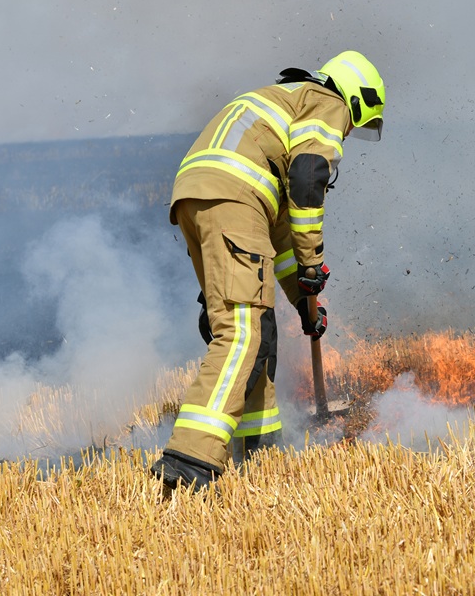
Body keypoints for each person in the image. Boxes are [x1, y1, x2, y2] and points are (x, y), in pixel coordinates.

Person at [150, 50, 386, 492]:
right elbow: (308, 178)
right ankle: (190, 460)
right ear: (356, 98)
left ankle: (259, 453)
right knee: (242, 332)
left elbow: (276, 243)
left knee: (259, 329)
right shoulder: (326, 102)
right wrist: (313, 262)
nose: (348, 132)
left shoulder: (282, 102)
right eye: (356, 123)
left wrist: (302, 299)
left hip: (199, 198)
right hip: (234, 199)